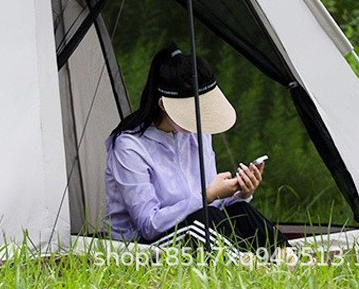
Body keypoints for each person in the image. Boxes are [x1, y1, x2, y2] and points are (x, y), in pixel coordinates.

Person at [104, 42, 289, 255]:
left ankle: (289, 258)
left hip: (196, 226)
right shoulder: (129, 147)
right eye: (191, 111)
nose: (197, 119)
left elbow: (211, 204)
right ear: (163, 105)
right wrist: (207, 196)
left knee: (240, 210)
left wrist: (241, 191)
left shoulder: (197, 133)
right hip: (143, 246)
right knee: (203, 218)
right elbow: (149, 224)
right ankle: (252, 265)